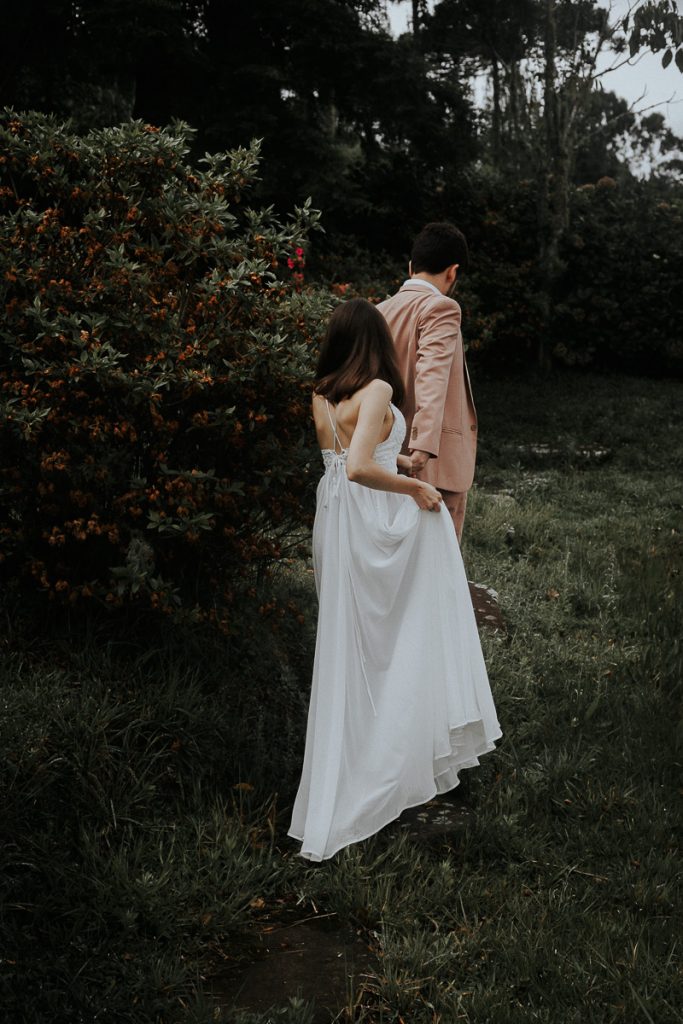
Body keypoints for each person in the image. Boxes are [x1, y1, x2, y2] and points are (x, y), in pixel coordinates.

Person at [288, 298, 501, 862]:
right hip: (369, 514)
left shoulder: (322, 393)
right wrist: (417, 488)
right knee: (402, 632)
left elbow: (342, 458)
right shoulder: (379, 388)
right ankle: (393, 755)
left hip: (335, 516)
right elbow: (360, 467)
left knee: (351, 642)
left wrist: (399, 464)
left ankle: (358, 760)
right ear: (377, 341)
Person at [377, 222, 476, 541]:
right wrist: (421, 449)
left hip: (384, 460)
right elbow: (431, 377)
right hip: (431, 467)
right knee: (436, 574)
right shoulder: (442, 308)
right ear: (453, 272)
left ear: (410, 267)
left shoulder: (379, 311)